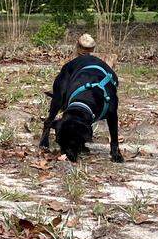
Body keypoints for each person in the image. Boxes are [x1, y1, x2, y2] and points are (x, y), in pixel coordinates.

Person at [38, 33, 124, 162]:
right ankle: (46, 129)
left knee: (109, 114)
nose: (63, 152)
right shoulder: (70, 82)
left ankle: (113, 149)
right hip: (73, 71)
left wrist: (115, 149)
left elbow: (113, 119)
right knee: (58, 100)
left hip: (101, 76)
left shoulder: (108, 103)